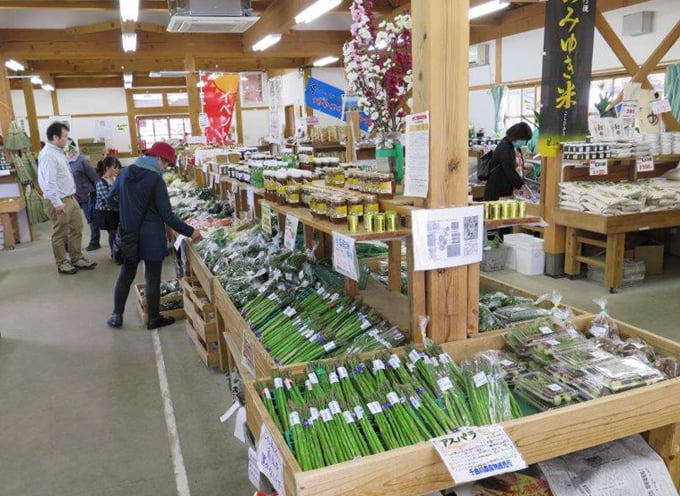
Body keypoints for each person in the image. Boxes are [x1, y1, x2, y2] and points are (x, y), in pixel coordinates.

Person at [106, 142, 202, 330]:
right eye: (166, 164)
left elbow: (110, 198)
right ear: (158, 158)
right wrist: (191, 232)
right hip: (151, 234)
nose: (166, 168)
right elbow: (167, 215)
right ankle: (153, 319)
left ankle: (116, 315)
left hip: (129, 232)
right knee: (152, 277)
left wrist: (127, 210)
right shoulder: (155, 179)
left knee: (126, 273)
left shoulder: (125, 172)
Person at [37, 121, 97, 275]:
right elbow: (48, 181)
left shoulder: (59, 151)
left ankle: (76, 258)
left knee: (77, 227)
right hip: (57, 200)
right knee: (60, 232)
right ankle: (62, 262)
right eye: (65, 136)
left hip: (70, 197)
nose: (67, 139)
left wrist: (72, 196)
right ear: (55, 137)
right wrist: (57, 202)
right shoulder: (48, 155)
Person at [483, 122, 534, 202]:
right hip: (496, 192)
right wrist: (524, 188)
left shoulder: (508, 145)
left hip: (501, 189)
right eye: (523, 140)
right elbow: (510, 171)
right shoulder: (505, 147)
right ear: (517, 136)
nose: (524, 143)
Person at [66, 143, 101, 251]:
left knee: (91, 219)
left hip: (87, 194)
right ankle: (69, 245)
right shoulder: (64, 161)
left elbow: (94, 177)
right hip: (72, 195)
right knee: (71, 221)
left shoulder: (82, 161)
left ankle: (95, 242)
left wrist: (97, 192)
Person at [93, 156, 121, 261]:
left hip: (115, 210)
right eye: (115, 167)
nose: (117, 170)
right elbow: (107, 199)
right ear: (107, 168)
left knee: (117, 232)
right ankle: (114, 255)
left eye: (118, 167)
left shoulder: (115, 179)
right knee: (113, 233)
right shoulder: (101, 183)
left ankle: (118, 252)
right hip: (106, 212)